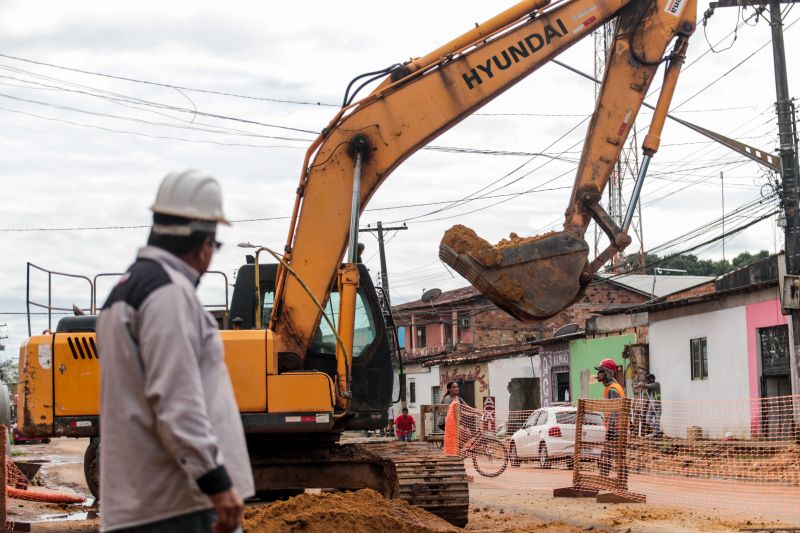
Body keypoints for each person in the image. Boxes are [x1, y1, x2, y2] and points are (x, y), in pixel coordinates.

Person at [97, 170, 254, 533]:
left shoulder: (122, 293)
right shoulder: (169, 293)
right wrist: (217, 483)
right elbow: (177, 401)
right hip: (179, 504)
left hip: (142, 502)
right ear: (203, 246)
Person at [594, 358, 625, 477]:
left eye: (600, 371)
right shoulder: (610, 387)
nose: (598, 374)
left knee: (608, 458)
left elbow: (614, 411)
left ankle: (607, 482)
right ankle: (615, 482)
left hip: (615, 430)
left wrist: (611, 431)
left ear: (607, 373)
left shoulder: (613, 389)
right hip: (615, 430)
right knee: (613, 458)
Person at [636, 373, 662, 438]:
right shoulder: (648, 388)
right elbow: (646, 397)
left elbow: (646, 385)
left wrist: (641, 384)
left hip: (657, 406)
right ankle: (658, 431)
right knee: (648, 420)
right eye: (646, 380)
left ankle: (657, 434)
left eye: (648, 379)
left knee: (657, 421)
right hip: (651, 407)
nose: (647, 381)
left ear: (652, 379)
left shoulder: (657, 384)